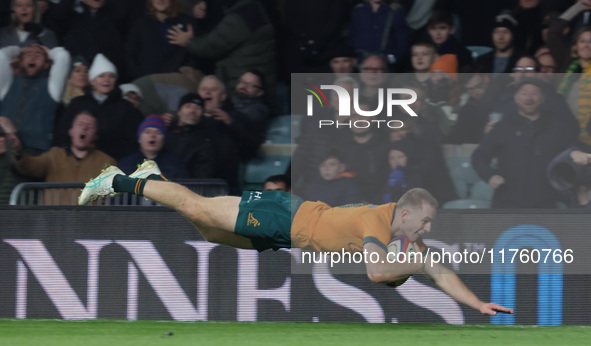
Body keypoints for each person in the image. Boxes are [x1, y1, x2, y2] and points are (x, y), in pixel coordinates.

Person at [78, 168, 514, 317]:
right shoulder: (375, 222)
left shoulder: (402, 234)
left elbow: (438, 269)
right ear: (406, 213)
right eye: (426, 222)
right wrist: (417, 264)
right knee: (198, 209)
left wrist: (476, 304)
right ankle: (116, 180)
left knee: (209, 231)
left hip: (286, 234)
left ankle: (153, 179)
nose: (428, 229)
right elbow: (379, 273)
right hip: (283, 214)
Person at [472, 78, 577, 208]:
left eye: (534, 93)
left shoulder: (557, 128)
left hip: (546, 203)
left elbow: (572, 156)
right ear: (515, 98)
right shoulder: (502, 127)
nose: (529, 98)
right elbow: (479, 156)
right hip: (506, 202)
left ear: (542, 98)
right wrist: (490, 176)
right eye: (524, 93)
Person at [7, 111, 116, 205]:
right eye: (80, 124)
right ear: (71, 131)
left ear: (95, 135)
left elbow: (108, 200)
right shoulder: (55, 155)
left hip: (87, 225)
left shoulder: (106, 163)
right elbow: (31, 166)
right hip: (53, 222)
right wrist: (18, 152)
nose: (84, 128)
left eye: (90, 126)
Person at [55, 53, 144, 161]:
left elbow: (134, 140)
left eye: (111, 76)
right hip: (77, 161)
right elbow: (62, 133)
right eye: (101, 76)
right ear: (92, 81)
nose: (106, 80)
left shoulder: (125, 107)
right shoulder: (77, 104)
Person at [0, 44, 70, 153]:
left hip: (35, 150)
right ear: (20, 61)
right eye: (28, 54)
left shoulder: (52, 87)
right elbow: (2, 55)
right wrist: (19, 50)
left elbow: (63, 56)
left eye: (38, 55)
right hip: (4, 146)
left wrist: (49, 52)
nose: (33, 57)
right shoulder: (8, 84)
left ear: (46, 64)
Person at [118, 115, 188, 179]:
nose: (152, 136)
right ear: (139, 138)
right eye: (147, 132)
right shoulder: (125, 164)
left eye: (158, 133)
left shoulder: (176, 165)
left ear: (164, 140)